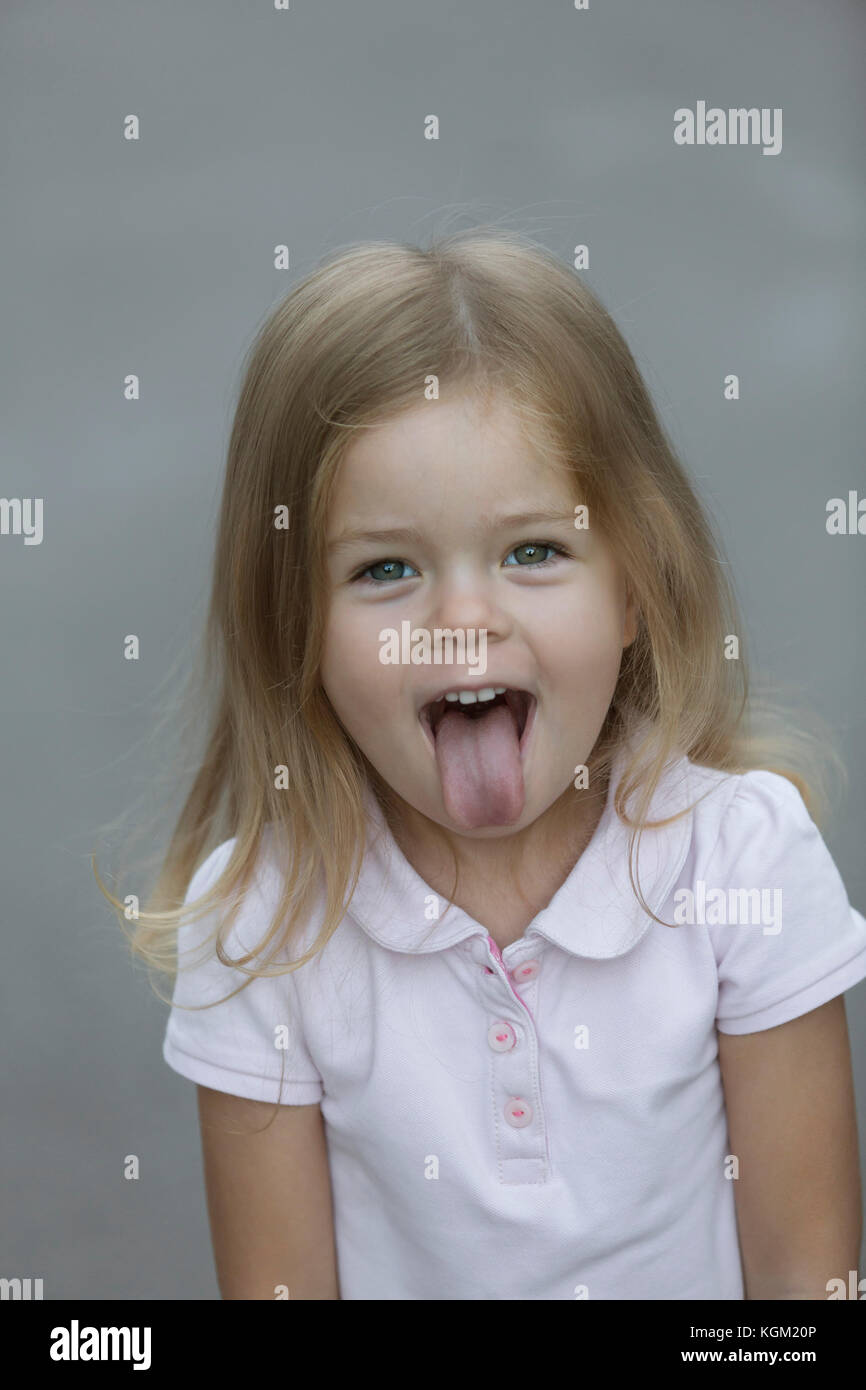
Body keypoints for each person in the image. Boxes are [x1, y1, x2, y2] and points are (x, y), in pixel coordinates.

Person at [100, 231, 866, 1300]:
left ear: (635, 583)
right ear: (293, 622)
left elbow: (806, 1286)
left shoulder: (741, 864)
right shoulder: (264, 926)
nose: (461, 622)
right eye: (384, 568)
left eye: (532, 551)